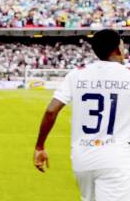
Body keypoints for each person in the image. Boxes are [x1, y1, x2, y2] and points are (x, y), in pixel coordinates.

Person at [33, 29, 130, 201]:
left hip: (82, 157)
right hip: (116, 157)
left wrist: (40, 146)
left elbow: (51, 110)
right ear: (117, 48)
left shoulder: (77, 74)